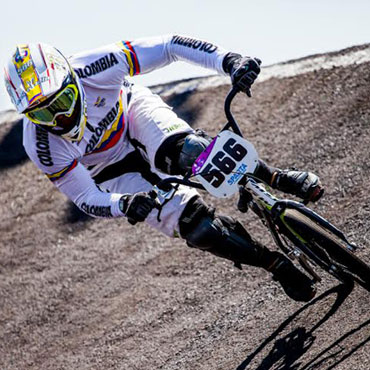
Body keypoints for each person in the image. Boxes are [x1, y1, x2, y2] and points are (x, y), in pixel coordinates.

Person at [4, 35, 323, 302]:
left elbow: (170, 45)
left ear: (72, 79)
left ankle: (277, 177)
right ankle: (275, 264)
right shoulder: (41, 146)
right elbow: (85, 196)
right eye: (44, 115)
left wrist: (229, 61)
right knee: (201, 230)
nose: (59, 119)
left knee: (191, 152)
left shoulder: (96, 65)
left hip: (133, 116)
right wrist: (123, 205)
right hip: (108, 167)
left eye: (61, 102)